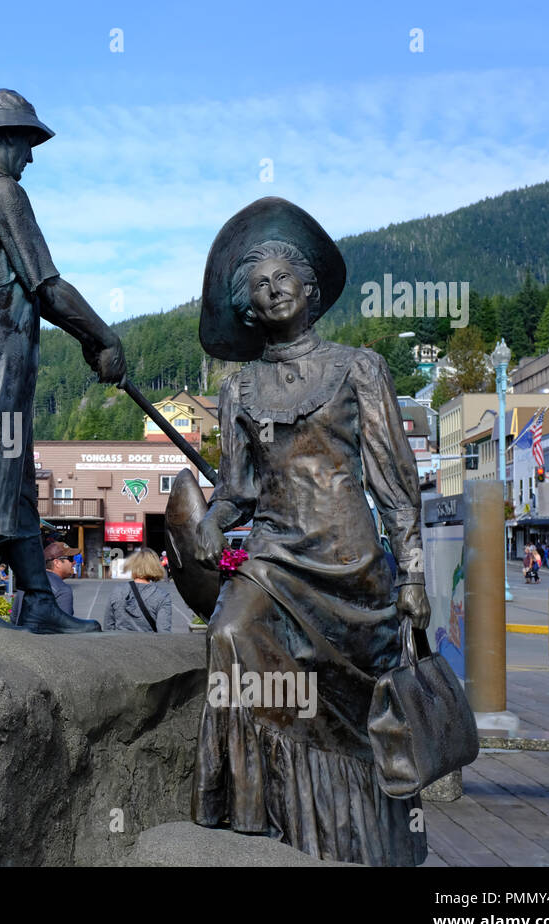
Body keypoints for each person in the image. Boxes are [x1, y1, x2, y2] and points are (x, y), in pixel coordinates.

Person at [185, 197, 429, 866]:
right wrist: (211, 518)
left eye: (283, 277)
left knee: (352, 696)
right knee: (231, 632)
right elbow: (238, 488)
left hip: (351, 561)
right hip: (275, 554)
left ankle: (357, 827)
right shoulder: (239, 391)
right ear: (248, 307)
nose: (272, 288)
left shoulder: (360, 368)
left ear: (311, 290)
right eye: (259, 284)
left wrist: (412, 573)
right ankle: (254, 805)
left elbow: (395, 481)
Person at [0, 89, 124, 634]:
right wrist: (104, 337)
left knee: (12, 484)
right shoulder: (1, 192)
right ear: (1, 139)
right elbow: (47, 285)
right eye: (26, 142)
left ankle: (39, 601)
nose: (31, 157)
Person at [104, 548, 174, 633]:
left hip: (120, 643)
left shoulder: (117, 591)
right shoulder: (162, 596)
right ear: (156, 567)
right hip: (149, 645)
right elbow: (164, 632)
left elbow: (108, 627)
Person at [43, 541, 80, 616]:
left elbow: (14, 619)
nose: (74, 562)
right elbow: (65, 626)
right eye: (71, 558)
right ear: (57, 563)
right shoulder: (63, 590)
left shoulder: (27, 584)